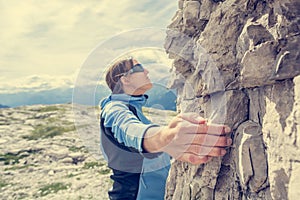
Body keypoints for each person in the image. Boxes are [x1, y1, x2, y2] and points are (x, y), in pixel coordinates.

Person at [99, 57, 232, 200]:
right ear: (125, 79)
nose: (146, 71)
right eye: (139, 68)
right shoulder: (114, 109)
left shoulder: (133, 109)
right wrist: (167, 137)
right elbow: (130, 130)